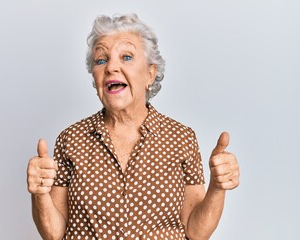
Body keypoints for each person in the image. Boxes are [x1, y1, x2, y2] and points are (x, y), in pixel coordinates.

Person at [27, 13, 240, 240]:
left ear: (150, 73)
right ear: (95, 77)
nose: (111, 67)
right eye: (101, 60)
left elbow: (196, 232)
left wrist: (217, 188)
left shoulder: (182, 138)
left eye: (126, 57)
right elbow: (54, 233)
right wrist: (39, 194)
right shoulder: (71, 139)